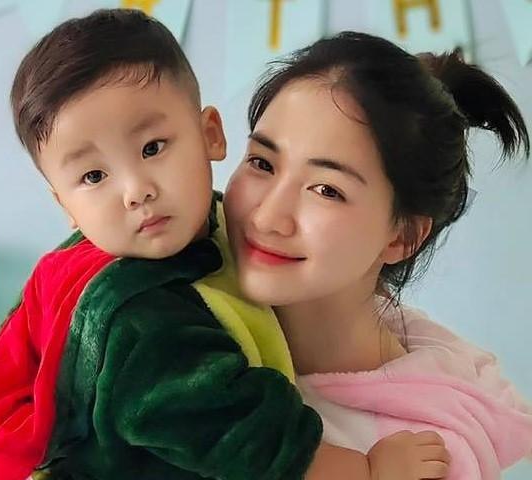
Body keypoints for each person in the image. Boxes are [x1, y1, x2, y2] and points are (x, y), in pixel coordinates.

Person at [0, 12, 447, 480]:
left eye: (152, 148)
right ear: (66, 205)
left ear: (210, 135)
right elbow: (249, 441)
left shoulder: (206, 224)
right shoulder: (142, 321)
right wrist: (369, 470)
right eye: (93, 176)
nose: (136, 191)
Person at [223, 31, 532, 480]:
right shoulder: (183, 314)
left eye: (326, 190)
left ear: (402, 236)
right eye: (262, 163)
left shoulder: (419, 454)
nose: (268, 217)